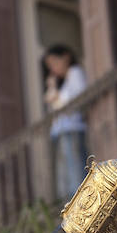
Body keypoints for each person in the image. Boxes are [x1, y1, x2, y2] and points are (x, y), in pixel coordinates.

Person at [43, 44, 88, 200]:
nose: (53, 69)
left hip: (72, 128)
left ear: (66, 57)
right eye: (50, 66)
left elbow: (72, 100)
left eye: (55, 63)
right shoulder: (64, 82)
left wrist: (55, 95)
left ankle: (78, 201)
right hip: (62, 131)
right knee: (65, 176)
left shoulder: (75, 73)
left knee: (75, 172)